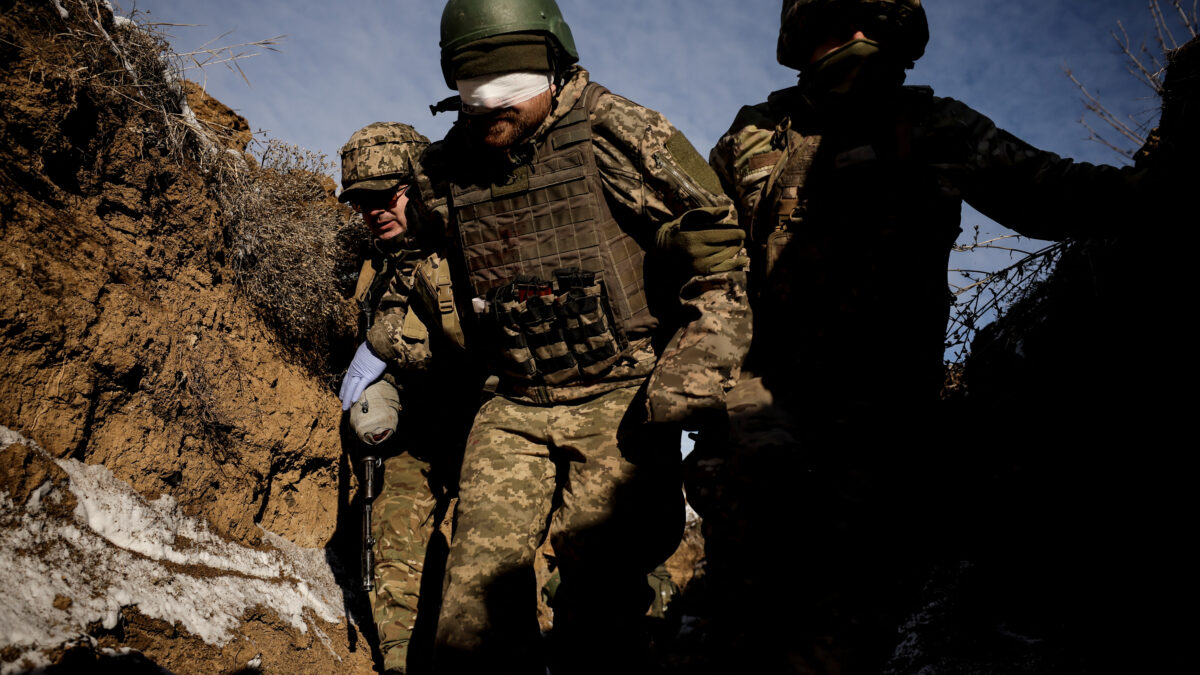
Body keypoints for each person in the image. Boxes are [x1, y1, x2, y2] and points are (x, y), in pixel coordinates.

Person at [702, 1, 1175, 672]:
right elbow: (706, 268)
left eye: (876, 28)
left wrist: (1156, 186)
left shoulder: (935, 126)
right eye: (838, 28)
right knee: (745, 626)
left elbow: (1051, 190)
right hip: (762, 421)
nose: (857, 43)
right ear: (802, 40)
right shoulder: (753, 137)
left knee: (847, 629)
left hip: (884, 423)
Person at [409, 0, 751, 671]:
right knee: (470, 608)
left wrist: (691, 378)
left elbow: (718, 250)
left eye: (510, 87)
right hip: (513, 404)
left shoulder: (616, 132)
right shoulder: (443, 169)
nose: (490, 106)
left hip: (619, 399)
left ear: (554, 65)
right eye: (472, 91)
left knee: (600, 608)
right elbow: (433, 262)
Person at [337, 122, 472, 675]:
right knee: (394, 527)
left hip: (489, 417)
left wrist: (385, 344)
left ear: (419, 185)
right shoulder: (383, 261)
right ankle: (400, 660)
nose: (373, 211)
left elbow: (469, 340)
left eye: (384, 196)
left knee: (481, 552)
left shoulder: (470, 239)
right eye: (361, 202)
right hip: (424, 422)